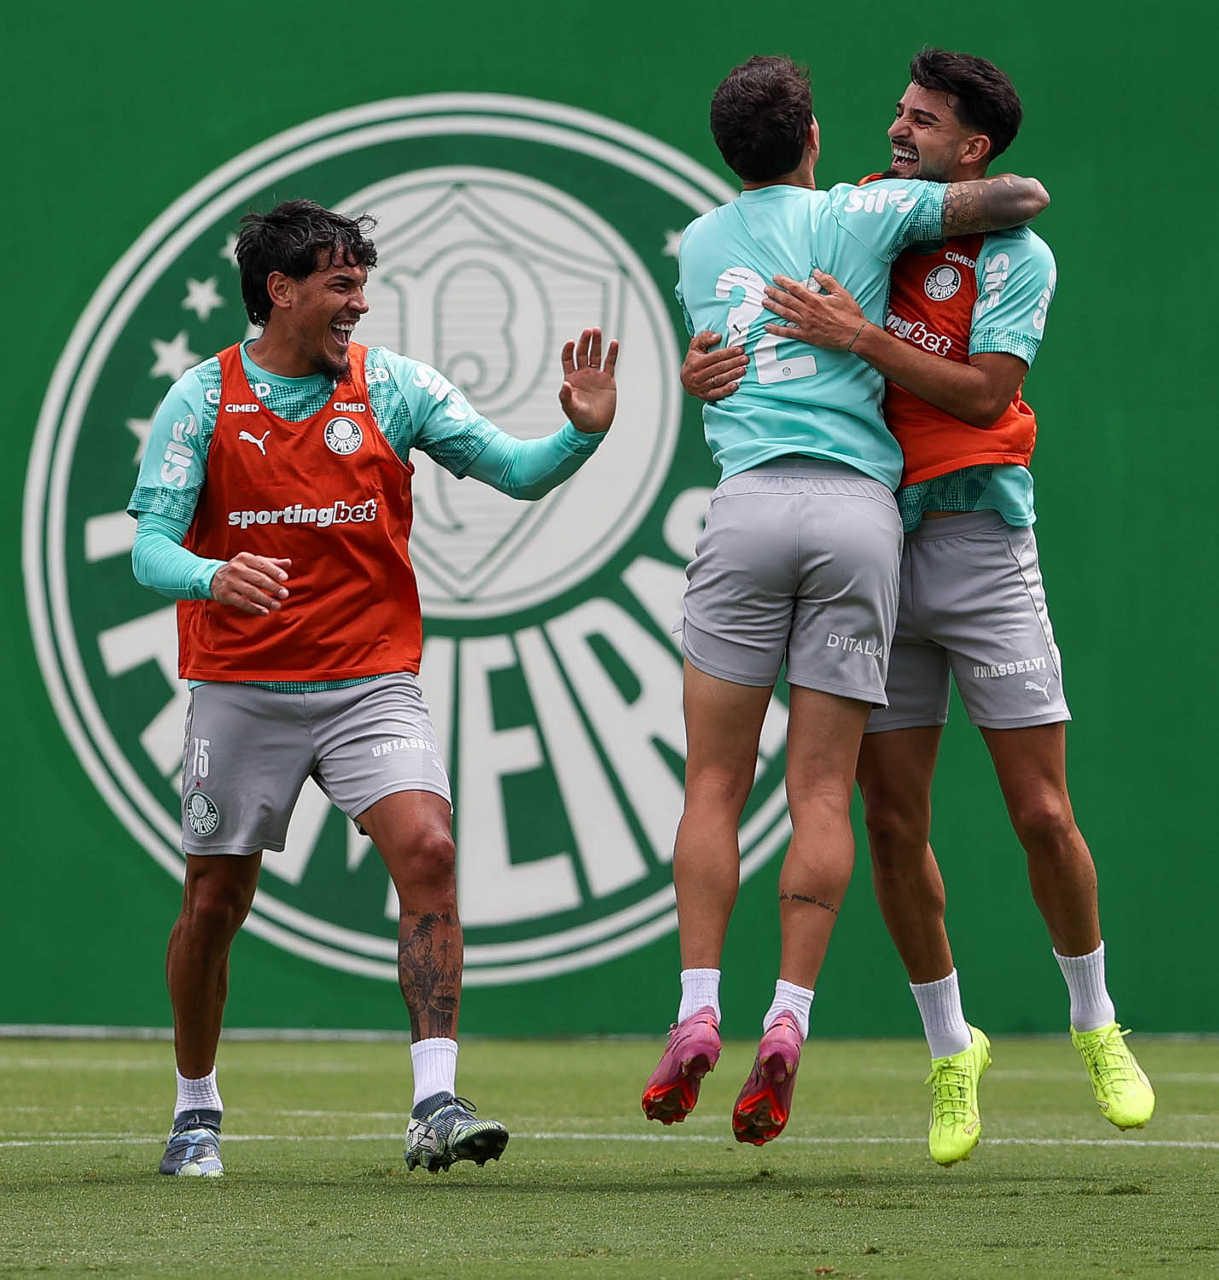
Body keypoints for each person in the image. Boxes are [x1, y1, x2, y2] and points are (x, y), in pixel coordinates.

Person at [681, 48, 1154, 1166]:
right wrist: (708, 370)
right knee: (891, 824)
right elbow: (757, 333)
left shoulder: (1013, 255)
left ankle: (1095, 1022)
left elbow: (986, 395)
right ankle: (951, 1048)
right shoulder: (861, 220)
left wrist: (862, 338)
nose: (896, 131)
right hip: (878, 547)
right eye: (895, 113)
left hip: (982, 544)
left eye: (923, 121)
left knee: (1040, 813)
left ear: (972, 148)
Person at [128, 199, 619, 1178]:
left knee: (429, 849)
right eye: (340, 284)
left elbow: (514, 471)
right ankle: (194, 1109)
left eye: (362, 284)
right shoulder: (202, 396)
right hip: (241, 686)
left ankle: (435, 1102)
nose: (358, 303)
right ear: (280, 290)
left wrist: (579, 435)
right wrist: (213, 576)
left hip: (369, 685)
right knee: (214, 901)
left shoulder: (394, 387)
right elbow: (148, 547)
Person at [640, 54, 1048, 1147]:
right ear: (814, 136)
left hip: (746, 506)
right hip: (858, 514)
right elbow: (1018, 199)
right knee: (821, 790)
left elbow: (719, 357)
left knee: (713, 783)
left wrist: (694, 373)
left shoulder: (699, 242)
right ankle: (788, 1014)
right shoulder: (862, 214)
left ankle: (695, 1008)